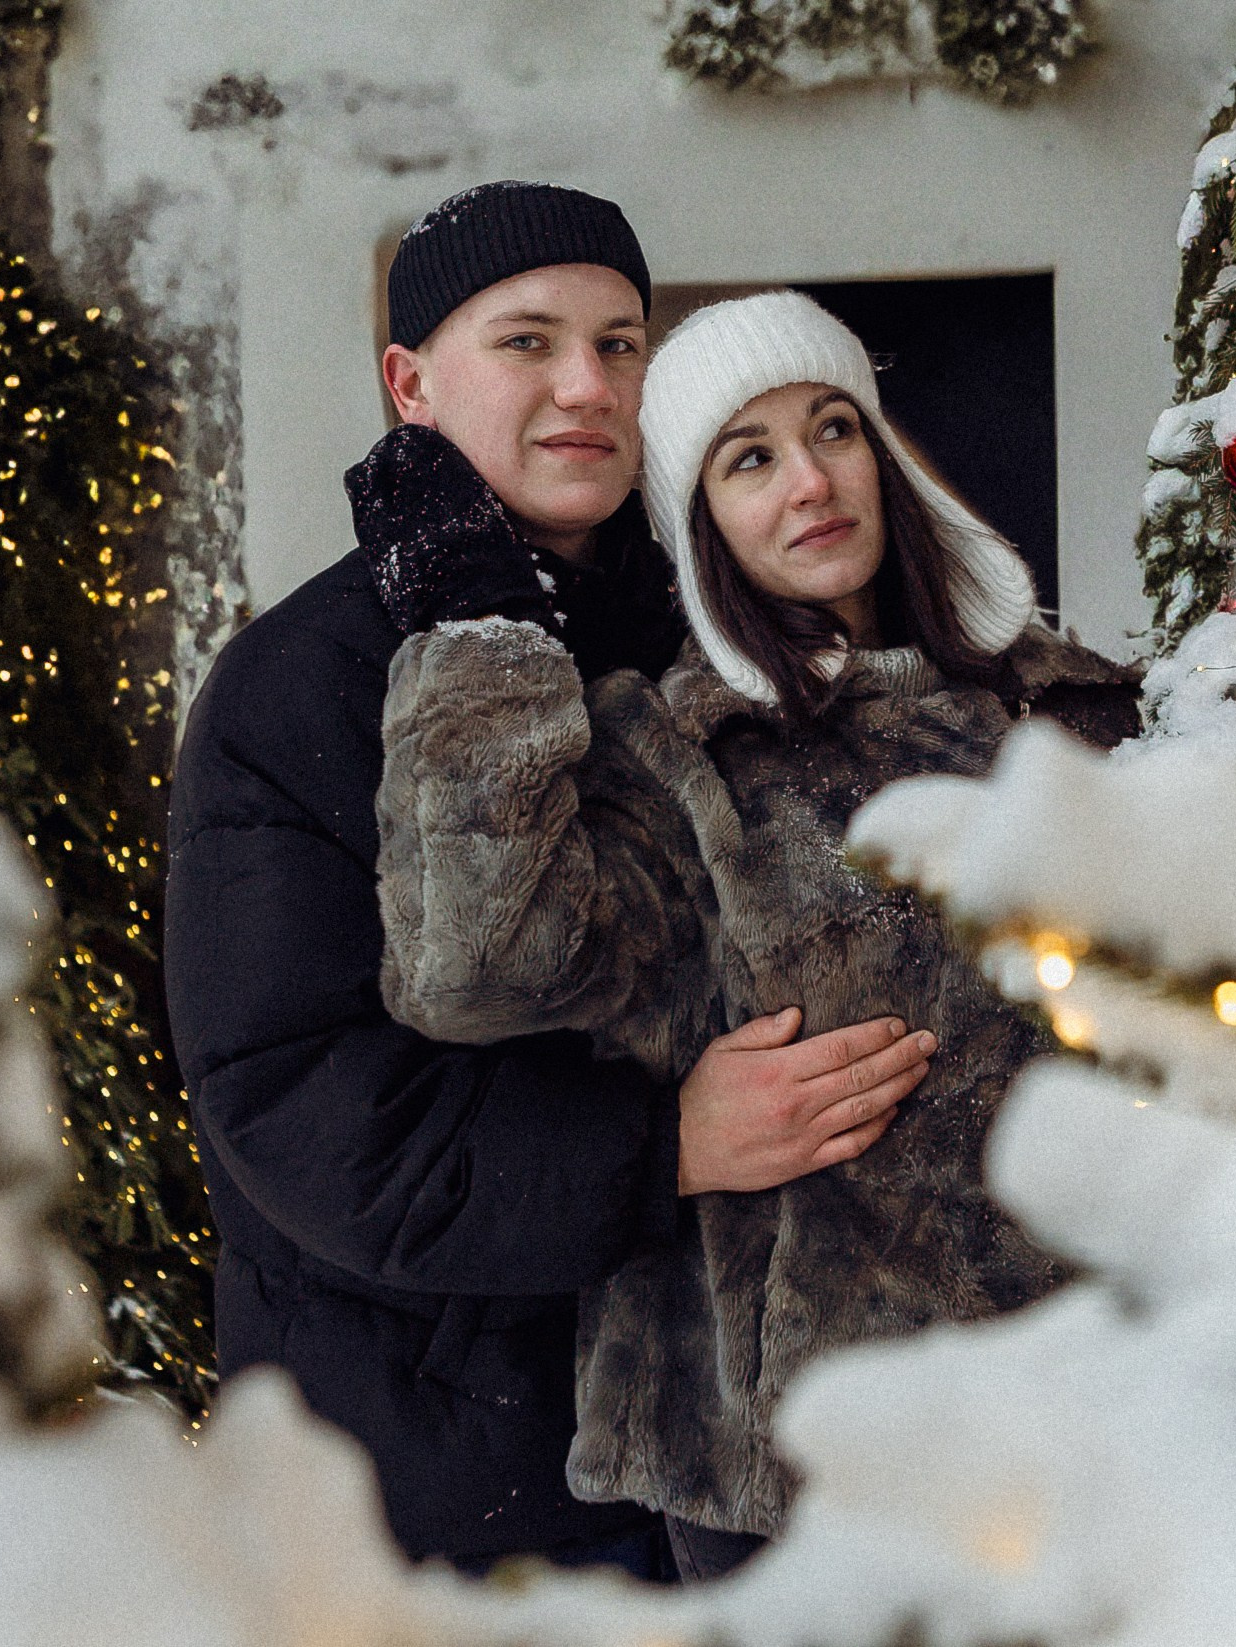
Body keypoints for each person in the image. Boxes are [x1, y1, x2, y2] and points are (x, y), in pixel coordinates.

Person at [164, 187, 934, 1579]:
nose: (587, 386)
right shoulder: (301, 683)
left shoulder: (714, 621)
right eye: (527, 342)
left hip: (732, 1435)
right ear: (410, 384)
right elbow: (295, 1102)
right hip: (446, 1455)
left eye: (619, 343)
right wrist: (663, 1146)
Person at [373, 289, 1141, 1579]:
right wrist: (477, 633)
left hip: (1101, 1417)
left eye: (833, 429)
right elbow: (477, 967)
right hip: (801, 1473)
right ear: (700, 524)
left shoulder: (1079, 711)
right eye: (749, 458)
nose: (810, 481)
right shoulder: (680, 753)